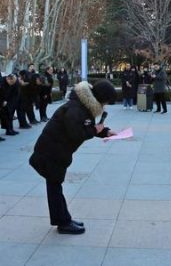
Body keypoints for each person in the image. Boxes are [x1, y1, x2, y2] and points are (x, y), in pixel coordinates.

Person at [29, 81, 117, 235]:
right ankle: (63, 222)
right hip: (51, 152)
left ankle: (63, 219)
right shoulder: (76, 109)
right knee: (55, 187)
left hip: (56, 151)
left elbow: (86, 127)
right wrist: (95, 130)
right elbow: (77, 134)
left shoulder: (82, 106)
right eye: (106, 101)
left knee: (55, 186)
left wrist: (105, 132)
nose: (106, 105)